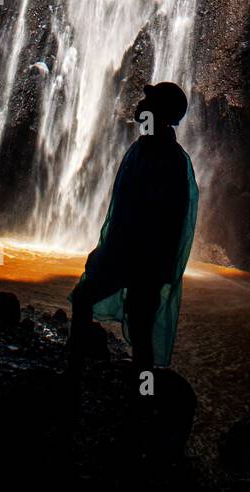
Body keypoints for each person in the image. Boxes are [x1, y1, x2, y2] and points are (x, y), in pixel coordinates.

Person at [67, 81, 198, 377]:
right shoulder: (142, 150)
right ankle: (83, 374)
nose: (140, 106)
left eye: (147, 102)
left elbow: (166, 221)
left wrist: (121, 256)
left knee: (135, 325)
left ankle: (126, 392)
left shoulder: (170, 161)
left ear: (161, 114)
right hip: (126, 256)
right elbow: (123, 212)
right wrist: (105, 250)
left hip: (142, 261)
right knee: (120, 317)